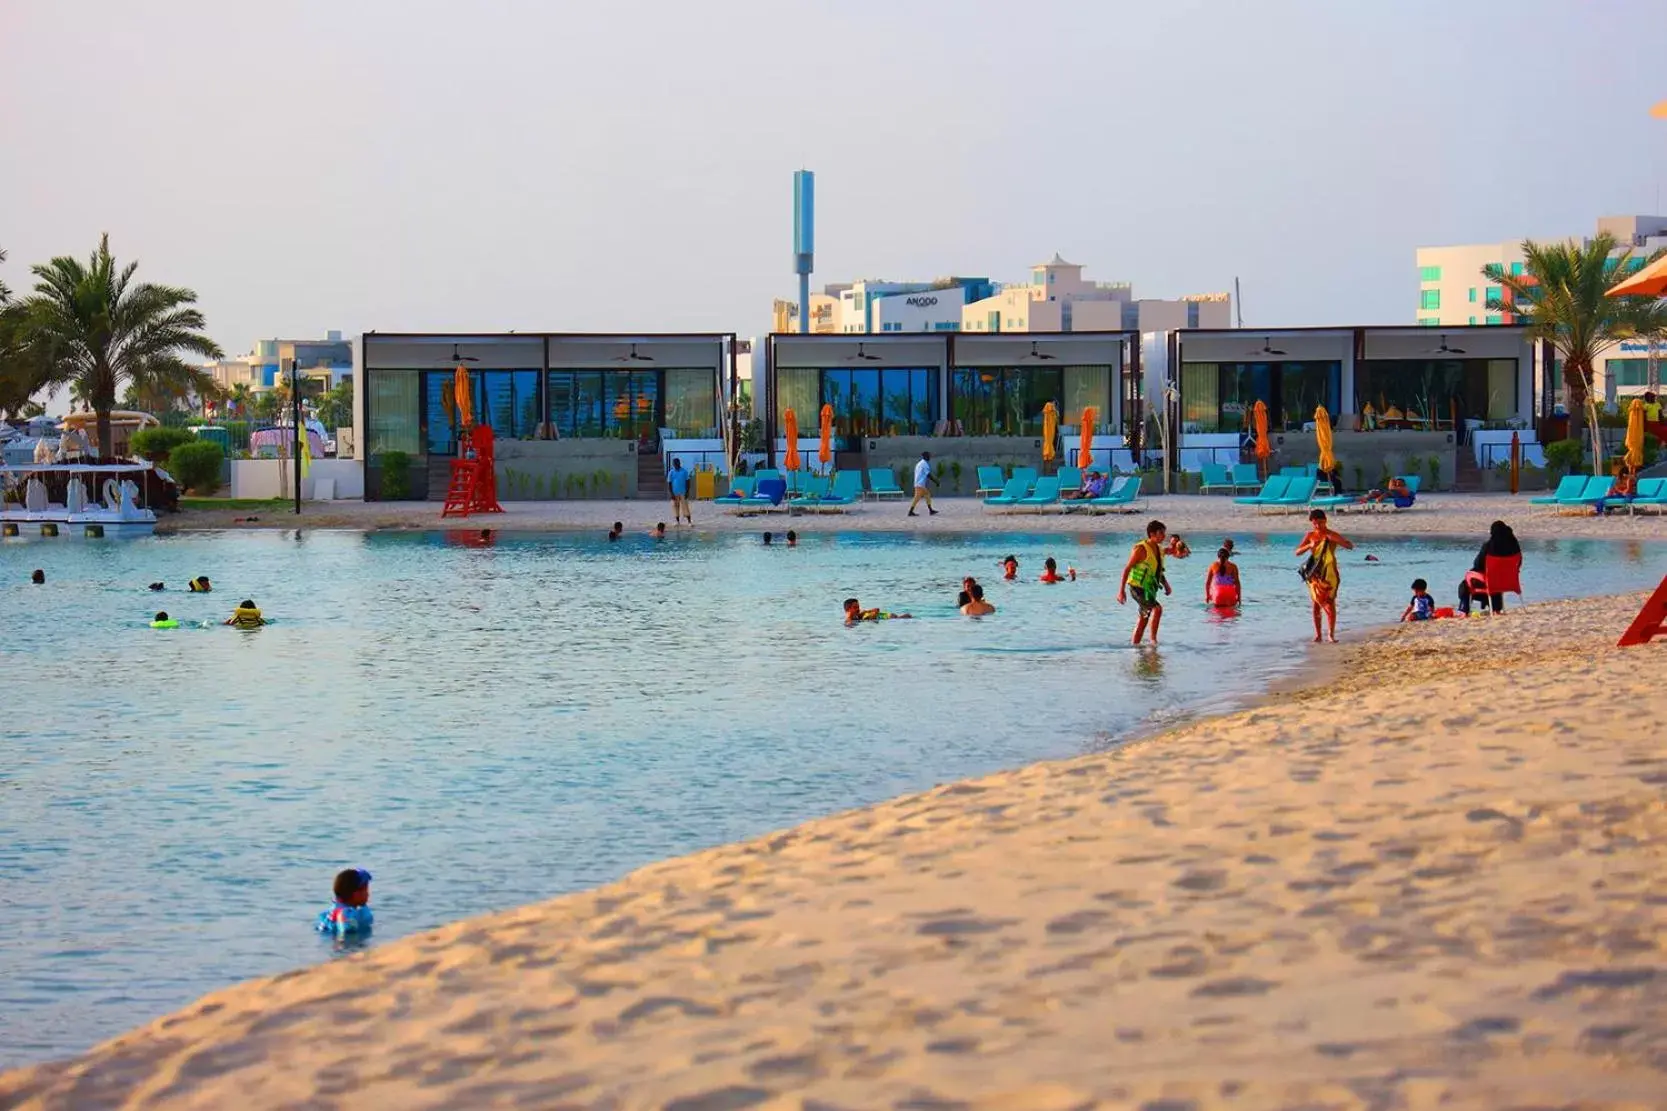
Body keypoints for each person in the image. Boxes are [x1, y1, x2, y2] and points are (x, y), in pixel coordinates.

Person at [1295, 509, 1354, 643]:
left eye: (1320, 523)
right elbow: (1297, 552)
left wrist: (1336, 540)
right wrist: (1310, 545)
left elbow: (1350, 546)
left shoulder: (1331, 534)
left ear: (1325, 520)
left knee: (1330, 601)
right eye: (1315, 523)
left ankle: (1331, 634)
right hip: (1315, 573)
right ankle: (1318, 634)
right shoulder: (1310, 535)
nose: (1318, 526)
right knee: (1316, 603)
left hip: (1329, 572)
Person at [1117, 520, 1172, 645]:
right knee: (1157, 609)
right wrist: (1121, 592)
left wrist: (1167, 585)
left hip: (1149, 590)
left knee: (1144, 618)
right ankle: (1153, 641)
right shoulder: (1141, 549)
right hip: (1137, 588)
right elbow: (1127, 569)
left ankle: (1134, 645)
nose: (1163, 536)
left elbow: (1157, 570)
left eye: (1164, 533)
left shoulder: (1158, 549)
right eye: (1161, 533)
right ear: (1151, 534)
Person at [1458, 520, 1523, 615]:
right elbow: (1519, 564)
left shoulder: (1489, 546)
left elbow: (1478, 564)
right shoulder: (1515, 547)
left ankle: (1464, 611)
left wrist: (1472, 572)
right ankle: (1496, 608)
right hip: (1509, 581)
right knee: (1493, 580)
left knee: (1465, 583)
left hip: (1491, 582)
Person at [316, 867, 374, 937]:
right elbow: (345, 932)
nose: (368, 894)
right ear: (356, 894)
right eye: (366, 890)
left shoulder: (335, 909)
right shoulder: (345, 913)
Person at [907, 451, 939, 517]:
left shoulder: (919, 463)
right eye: (929, 456)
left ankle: (930, 510)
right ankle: (910, 511)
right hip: (920, 484)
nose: (930, 457)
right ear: (926, 456)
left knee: (926, 494)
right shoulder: (924, 464)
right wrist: (936, 481)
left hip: (918, 483)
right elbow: (928, 474)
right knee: (917, 498)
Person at [843, 597, 912, 625]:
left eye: (858, 607)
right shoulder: (849, 620)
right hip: (890, 618)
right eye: (855, 607)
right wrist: (873, 614)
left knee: (908, 616)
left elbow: (874, 611)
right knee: (908, 616)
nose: (858, 609)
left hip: (890, 617)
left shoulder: (857, 615)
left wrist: (870, 611)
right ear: (848, 609)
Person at [667, 458, 693, 526]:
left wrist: (687, 492)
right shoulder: (671, 472)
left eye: (676, 463)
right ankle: (677, 522)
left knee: (685, 507)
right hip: (674, 493)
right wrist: (671, 493)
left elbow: (688, 482)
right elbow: (669, 484)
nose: (675, 464)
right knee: (675, 507)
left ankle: (689, 522)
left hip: (683, 493)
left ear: (679, 463)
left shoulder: (684, 471)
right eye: (674, 463)